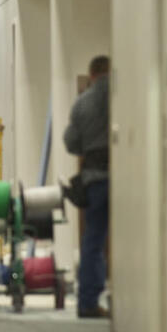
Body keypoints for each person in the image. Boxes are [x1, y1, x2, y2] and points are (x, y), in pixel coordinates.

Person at [63, 55, 110, 318]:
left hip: (94, 178)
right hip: (126, 179)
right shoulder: (123, 97)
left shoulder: (82, 103)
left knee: (93, 240)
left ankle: (87, 302)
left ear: (91, 75)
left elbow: (71, 143)